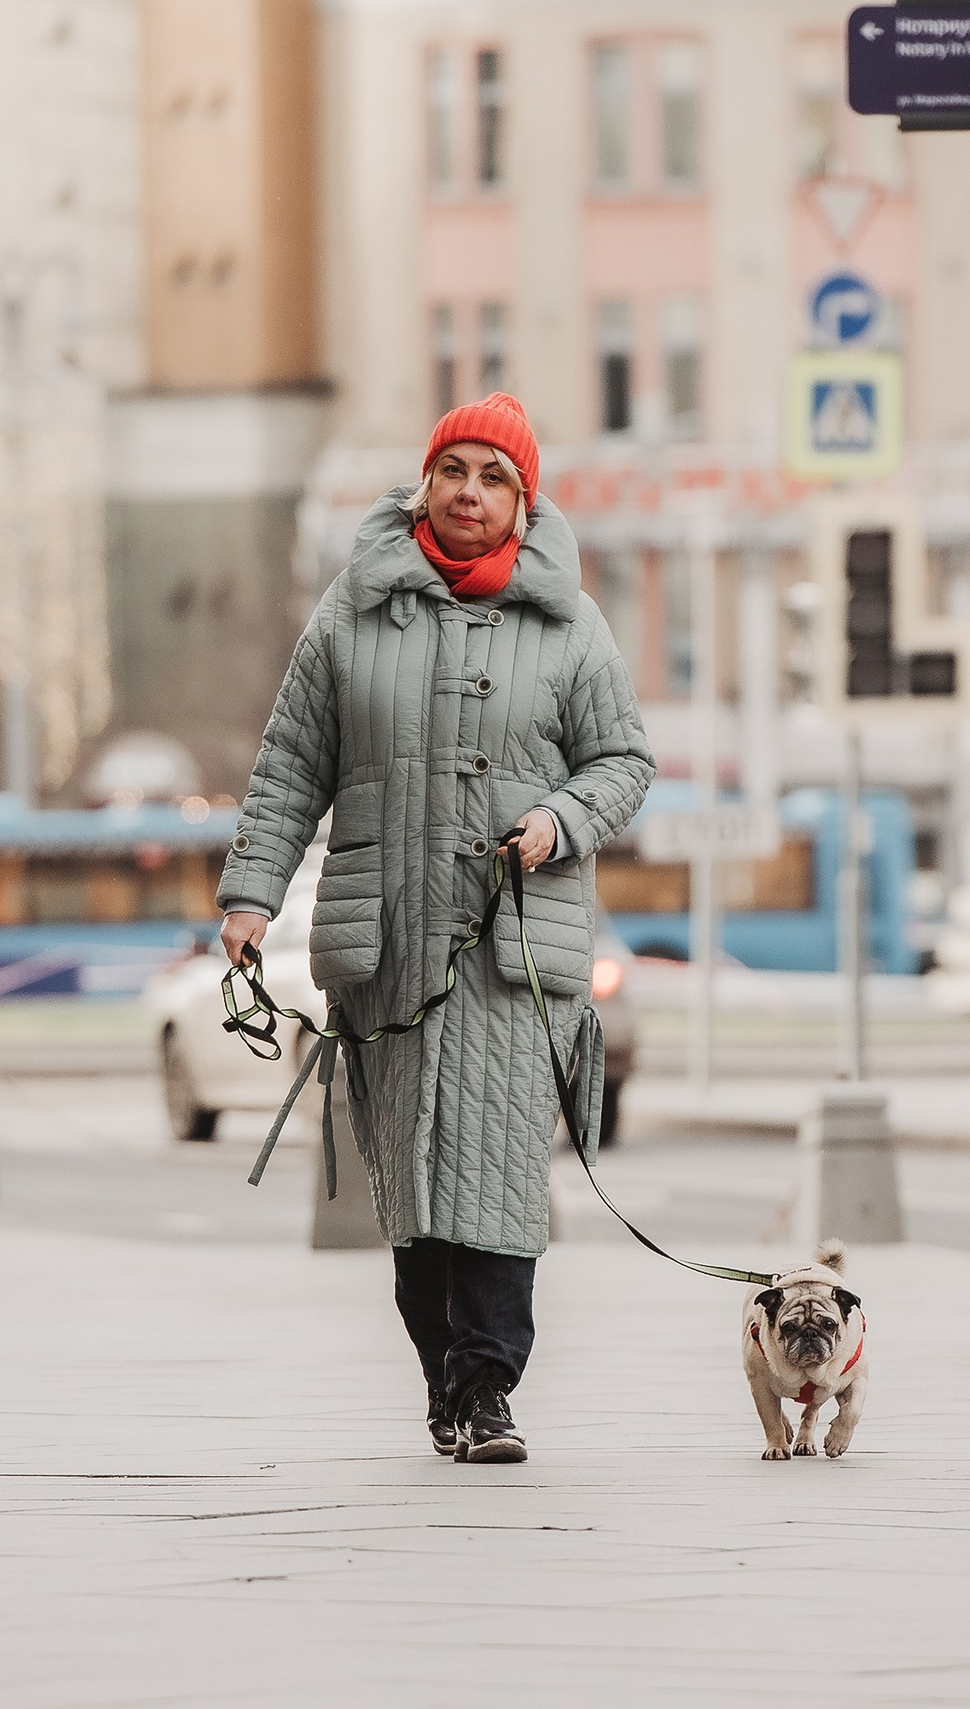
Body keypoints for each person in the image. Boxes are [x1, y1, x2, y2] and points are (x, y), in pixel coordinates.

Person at [215, 394, 654, 1464]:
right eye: (453, 470)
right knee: (409, 1181)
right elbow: (290, 766)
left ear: (522, 498)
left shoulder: (571, 624)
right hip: (395, 940)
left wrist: (561, 815)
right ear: (426, 482)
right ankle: (444, 1383)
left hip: (516, 949)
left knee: (501, 1167)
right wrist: (249, 895)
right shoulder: (353, 611)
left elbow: (625, 763)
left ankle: (490, 1386)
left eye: (492, 476)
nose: (469, 491)